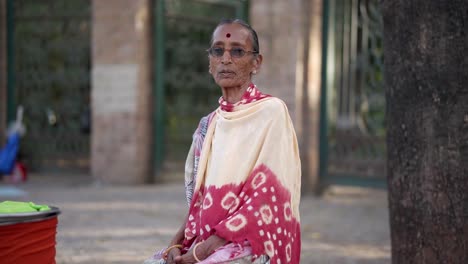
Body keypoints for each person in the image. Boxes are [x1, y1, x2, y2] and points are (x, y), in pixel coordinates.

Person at [144, 19, 301, 264]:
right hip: (205, 241)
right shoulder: (208, 125)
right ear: (210, 62)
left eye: (237, 51)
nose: (226, 59)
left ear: (256, 63)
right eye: (218, 51)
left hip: (252, 244)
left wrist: (201, 252)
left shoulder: (272, 113)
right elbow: (199, 202)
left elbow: (267, 198)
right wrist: (176, 243)